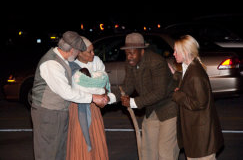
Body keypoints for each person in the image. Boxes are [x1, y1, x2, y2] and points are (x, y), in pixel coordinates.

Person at [31, 31, 109, 160]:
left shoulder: (63, 60)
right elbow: (66, 92)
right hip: (48, 114)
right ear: (72, 50)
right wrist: (93, 97)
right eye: (78, 51)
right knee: (48, 153)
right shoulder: (51, 64)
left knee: (60, 152)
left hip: (59, 112)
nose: (79, 54)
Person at [117, 32, 180, 160]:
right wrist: (111, 97)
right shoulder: (130, 62)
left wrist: (133, 102)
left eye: (132, 53)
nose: (129, 57)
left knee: (165, 152)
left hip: (169, 109)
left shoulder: (156, 62)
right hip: (151, 110)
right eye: (127, 53)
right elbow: (128, 86)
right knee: (148, 152)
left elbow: (159, 92)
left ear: (142, 51)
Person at [171, 35, 224, 160]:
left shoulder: (195, 74)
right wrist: (176, 75)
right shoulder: (191, 68)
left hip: (201, 137)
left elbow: (199, 103)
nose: (173, 54)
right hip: (198, 134)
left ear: (185, 52)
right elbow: (187, 81)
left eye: (176, 51)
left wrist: (177, 95)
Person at [66, 36, 116, 160]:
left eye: (93, 50)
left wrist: (100, 91)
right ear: (79, 53)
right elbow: (77, 87)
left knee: (97, 139)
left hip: (95, 108)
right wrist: (97, 84)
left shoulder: (97, 60)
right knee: (80, 141)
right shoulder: (71, 65)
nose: (93, 54)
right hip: (78, 109)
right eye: (89, 51)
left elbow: (104, 81)